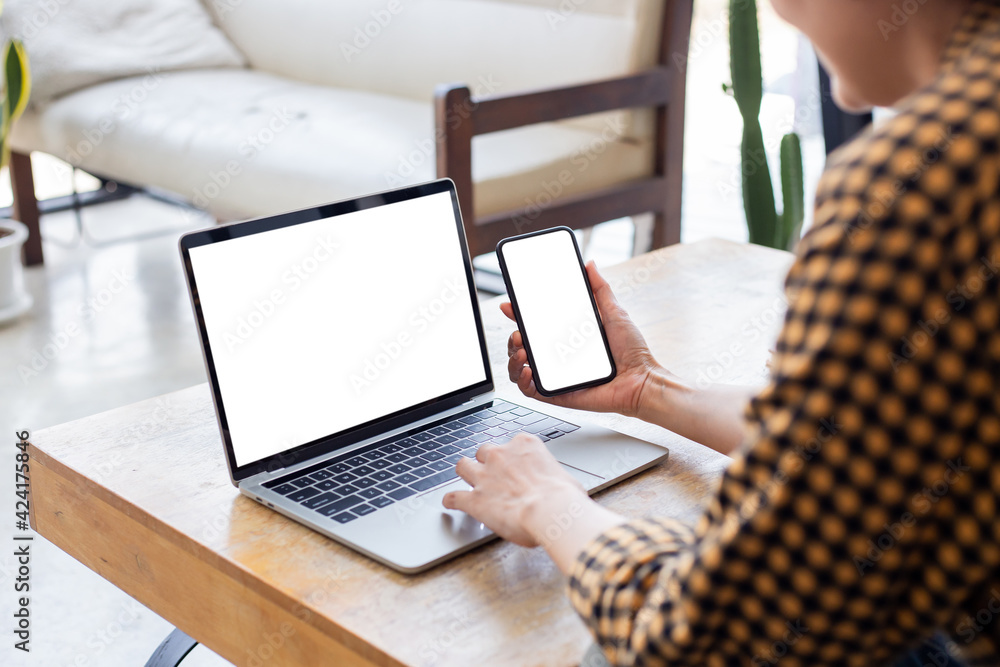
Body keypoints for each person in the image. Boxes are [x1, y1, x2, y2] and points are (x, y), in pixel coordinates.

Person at [441, 0, 1000, 664]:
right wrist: (647, 388)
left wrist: (547, 503)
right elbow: (868, 444)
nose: (781, 8)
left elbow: (712, 636)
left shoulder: (922, 184)